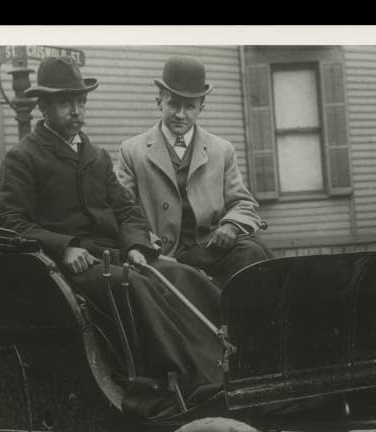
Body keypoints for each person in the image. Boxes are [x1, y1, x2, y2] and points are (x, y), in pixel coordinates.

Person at [0, 56, 223, 416]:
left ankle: (217, 371)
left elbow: (127, 210)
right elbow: (7, 221)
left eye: (81, 102)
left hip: (114, 253)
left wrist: (135, 246)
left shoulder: (95, 157)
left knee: (179, 274)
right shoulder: (24, 158)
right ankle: (170, 386)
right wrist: (63, 248)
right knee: (133, 287)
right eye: (66, 102)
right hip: (62, 267)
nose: (76, 111)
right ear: (43, 106)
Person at [117, 56, 273, 289]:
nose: (181, 114)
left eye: (189, 106)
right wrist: (143, 245)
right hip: (164, 255)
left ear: (202, 107)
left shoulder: (221, 150)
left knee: (254, 253)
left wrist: (230, 226)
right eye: (173, 104)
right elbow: (123, 211)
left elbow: (243, 203)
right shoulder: (132, 151)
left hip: (211, 250)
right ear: (159, 101)